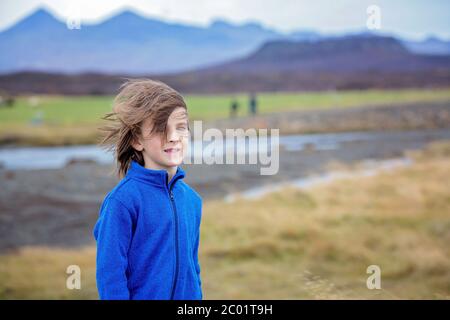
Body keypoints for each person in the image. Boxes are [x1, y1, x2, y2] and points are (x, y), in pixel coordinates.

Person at [93, 79, 203, 300]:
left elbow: (194, 269)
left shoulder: (192, 200)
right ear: (136, 140)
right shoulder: (123, 201)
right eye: (161, 128)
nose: (174, 137)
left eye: (181, 127)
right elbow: (110, 275)